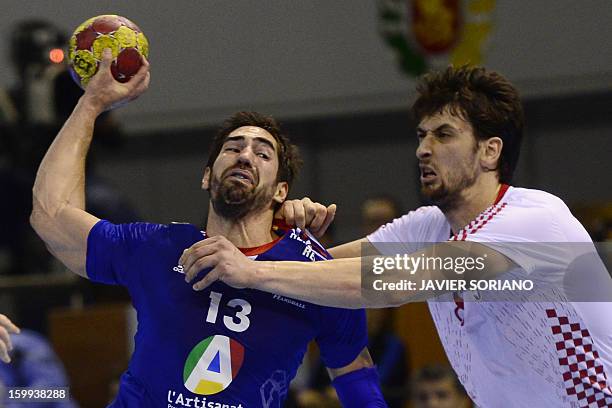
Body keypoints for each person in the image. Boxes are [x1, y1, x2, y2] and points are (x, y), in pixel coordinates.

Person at [181, 65, 612, 407]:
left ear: (490, 150)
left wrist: (252, 272)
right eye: (422, 135)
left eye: (444, 135)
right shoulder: (430, 223)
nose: (424, 149)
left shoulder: (532, 221)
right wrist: (281, 221)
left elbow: (386, 282)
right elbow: (323, 266)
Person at [30, 49, 386, 407]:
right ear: (206, 176)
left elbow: (354, 373)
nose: (245, 155)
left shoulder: (314, 272)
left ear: (281, 191)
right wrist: (91, 104)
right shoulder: (158, 246)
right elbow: (50, 216)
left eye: (262, 154)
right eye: (233, 148)